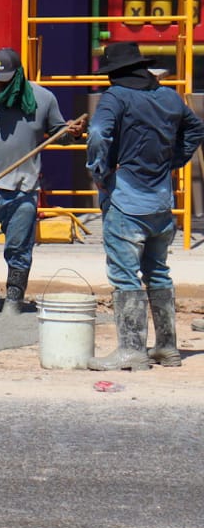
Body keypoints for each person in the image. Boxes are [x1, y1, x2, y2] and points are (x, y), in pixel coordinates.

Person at [85, 42, 204, 371]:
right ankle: (167, 348)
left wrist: (98, 171)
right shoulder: (168, 97)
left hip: (126, 200)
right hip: (161, 202)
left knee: (125, 277)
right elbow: (195, 128)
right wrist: (174, 161)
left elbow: (97, 132)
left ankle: (132, 350)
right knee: (158, 272)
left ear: (116, 74)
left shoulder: (116, 97)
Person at [0, 48, 84, 315]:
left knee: (18, 248)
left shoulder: (43, 99)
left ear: (18, 76)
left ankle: (14, 301)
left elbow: (57, 133)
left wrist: (71, 133)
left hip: (23, 189)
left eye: (4, 79)